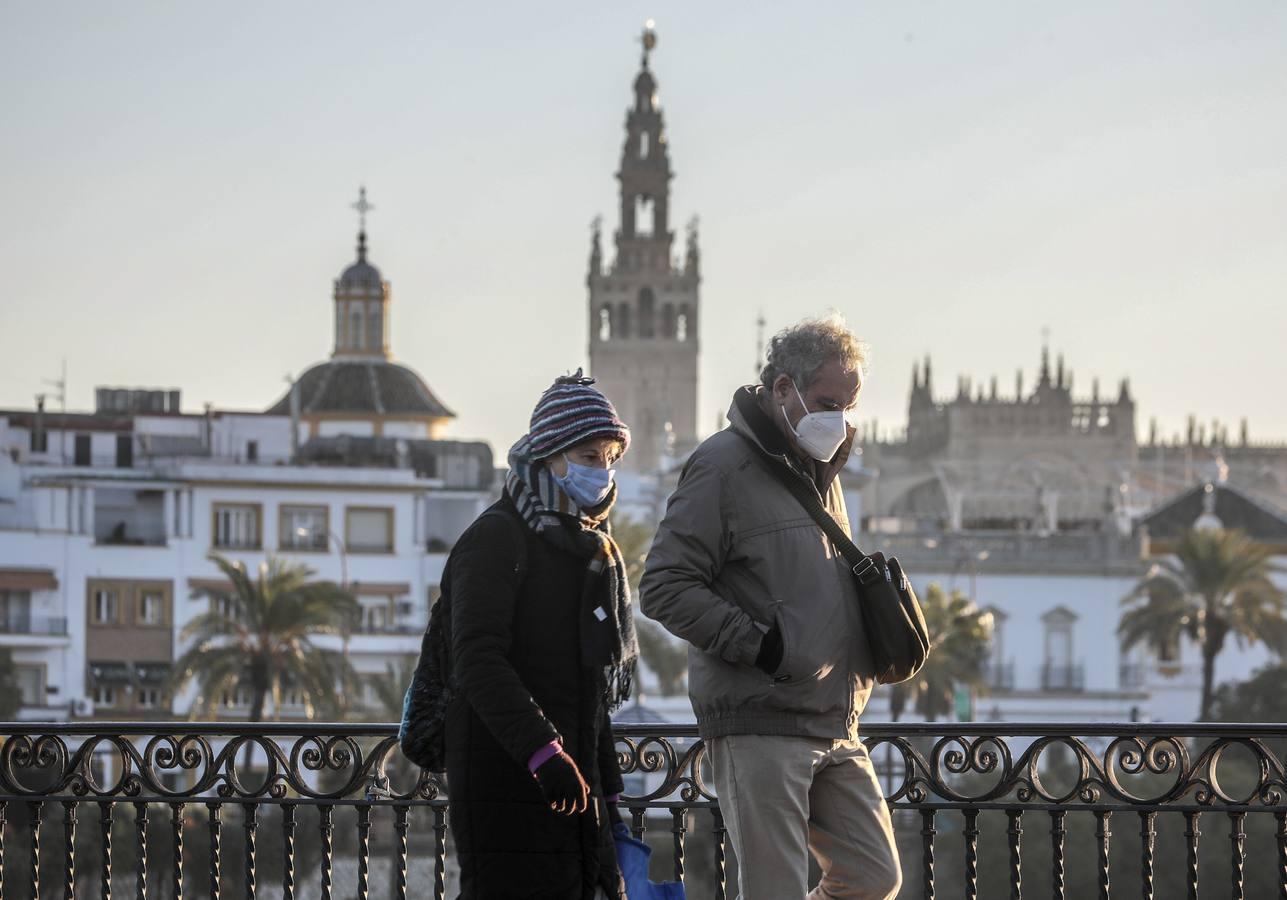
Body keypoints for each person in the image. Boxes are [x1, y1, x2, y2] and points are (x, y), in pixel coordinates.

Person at [639, 315, 901, 900]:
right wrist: (760, 645)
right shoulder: (721, 465)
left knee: (873, 875)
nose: (840, 419)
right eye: (827, 402)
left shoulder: (820, 470)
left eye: (849, 405)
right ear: (783, 388)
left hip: (834, 719)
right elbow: (663, 585)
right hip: (761, 719)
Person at [445, 370, 638, 900]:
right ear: (549, 457)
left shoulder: (591, 550)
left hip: (574, 786)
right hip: (505, 775)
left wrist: (609, 795)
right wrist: (541, 752)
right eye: (588, 457)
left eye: (608, 458)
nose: (601, 472)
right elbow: (478, 659)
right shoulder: (495, 540)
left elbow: (590, 685)